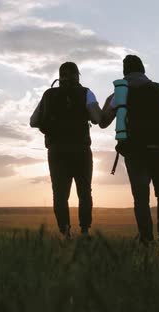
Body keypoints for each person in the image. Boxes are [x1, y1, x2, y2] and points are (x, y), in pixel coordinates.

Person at [100, 55, 159, 246]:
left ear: (124, 72)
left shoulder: (120, 94)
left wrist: (111, 99)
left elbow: (103, 122)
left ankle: (146, 238)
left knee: (141, 196)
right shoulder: (158, 88)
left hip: (134, 150)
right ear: (143, 69)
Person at [30, 62, 102, 239]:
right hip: (81, 150)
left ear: (60, 76)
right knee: (84, 191)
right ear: (78, 75)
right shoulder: (86, 93)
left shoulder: (48, 94)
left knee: (60, 193)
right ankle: (85, 232)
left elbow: (33, 121)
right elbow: (96, 118)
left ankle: (65, 232)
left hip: (56, 150)